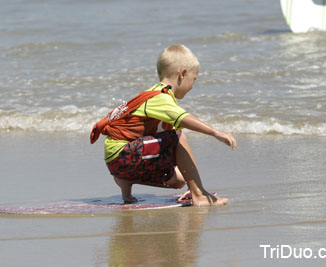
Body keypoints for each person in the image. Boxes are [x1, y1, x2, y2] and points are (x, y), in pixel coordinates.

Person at [90, 44, 237, 206]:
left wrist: (190, 181)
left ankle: (126, 188)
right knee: (178, 134)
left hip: (117, 163)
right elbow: (182, 118)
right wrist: (216, 132)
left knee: (180, 179)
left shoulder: (150, 95)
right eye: (194, 79)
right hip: (123, 155)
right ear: (183, 73)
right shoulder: (160, 96)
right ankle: (199, 195)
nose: (193, 86)